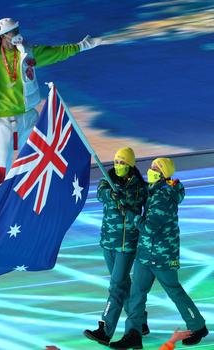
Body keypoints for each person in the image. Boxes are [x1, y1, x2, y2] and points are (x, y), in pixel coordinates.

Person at [0, 18, 102, 193]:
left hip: (29, 117)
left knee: (36, 156)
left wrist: (81, 46)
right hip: (4, 119)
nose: (16, 34)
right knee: (2, 160)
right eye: (11, 32)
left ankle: (32, 195)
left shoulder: (27, 52)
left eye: (16, 30)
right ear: (2, 36)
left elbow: (55, 53)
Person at [110, 158, 208, 349]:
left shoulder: (164, 197)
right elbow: (141, 190)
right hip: (146, 253)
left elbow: (148, 227)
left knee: (174, 291)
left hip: (162, 256)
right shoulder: (155, 190)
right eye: (152, 166)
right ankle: (133, 334)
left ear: (164, 174)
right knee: (136, 294)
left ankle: (198, 326)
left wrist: (129, 214)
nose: (151, 170)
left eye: (156, 168)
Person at [84, 147, 149, 345]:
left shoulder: (139, 186)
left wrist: (124, 197)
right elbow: (101, 193)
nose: (118, 166)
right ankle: (140, 323)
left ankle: (106, 329)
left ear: (130, 165)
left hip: (127, 244)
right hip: (108, 243)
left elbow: (140, 203)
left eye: (122, 163)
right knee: (122, 285)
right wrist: (113, 194)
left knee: (115, 287)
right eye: (116, 162)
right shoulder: (107, 180)